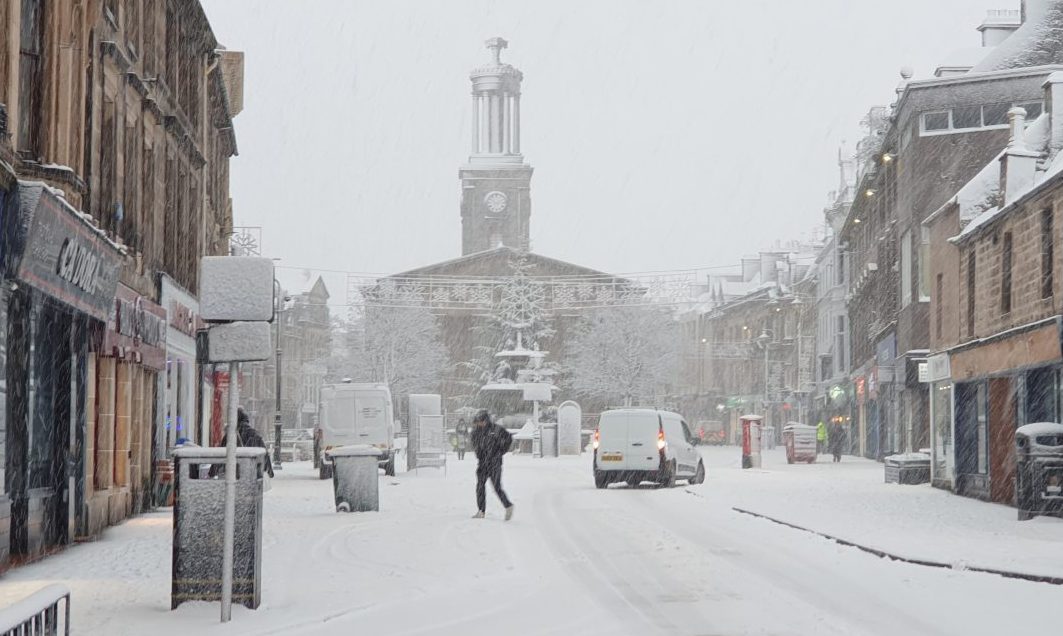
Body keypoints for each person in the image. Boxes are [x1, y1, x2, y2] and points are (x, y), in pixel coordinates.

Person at [470, 410, 514, 520]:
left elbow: (509, 438)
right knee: (480, 486)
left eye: (481, 421)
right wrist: (479, 454)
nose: (479, 424)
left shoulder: (496, 429)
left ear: (486, 420)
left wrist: (500, 451)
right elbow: (475, 445)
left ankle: (508, 506)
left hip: (495, 463)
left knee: (497, 487)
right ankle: (481, 511)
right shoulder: (475, 432)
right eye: (477, 422)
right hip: (482, 463)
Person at [212, 407, 275, 478]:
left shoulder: (229, 436)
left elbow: (221, 453)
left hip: (233, 474)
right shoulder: (255, 435)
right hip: (251, 474)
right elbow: (264, 453)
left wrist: (212, 472)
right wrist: (270, 472)